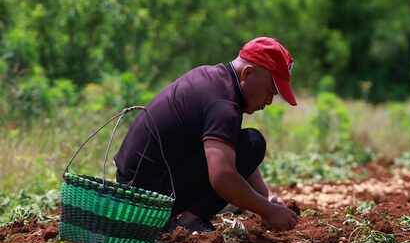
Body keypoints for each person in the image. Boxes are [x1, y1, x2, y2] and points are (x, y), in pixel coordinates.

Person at [114, 37, 299, 232]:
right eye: (270, 91)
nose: (269, 101)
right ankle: (187, 222)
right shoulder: (223, 105)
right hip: (146, 196)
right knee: (252, 144)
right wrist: (268, 211)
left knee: (250, 143)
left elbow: (236, 151)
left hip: (134, 183)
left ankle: (185, 217)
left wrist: (266, 197)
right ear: (248, 73)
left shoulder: (215, 80)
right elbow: (223, 177)